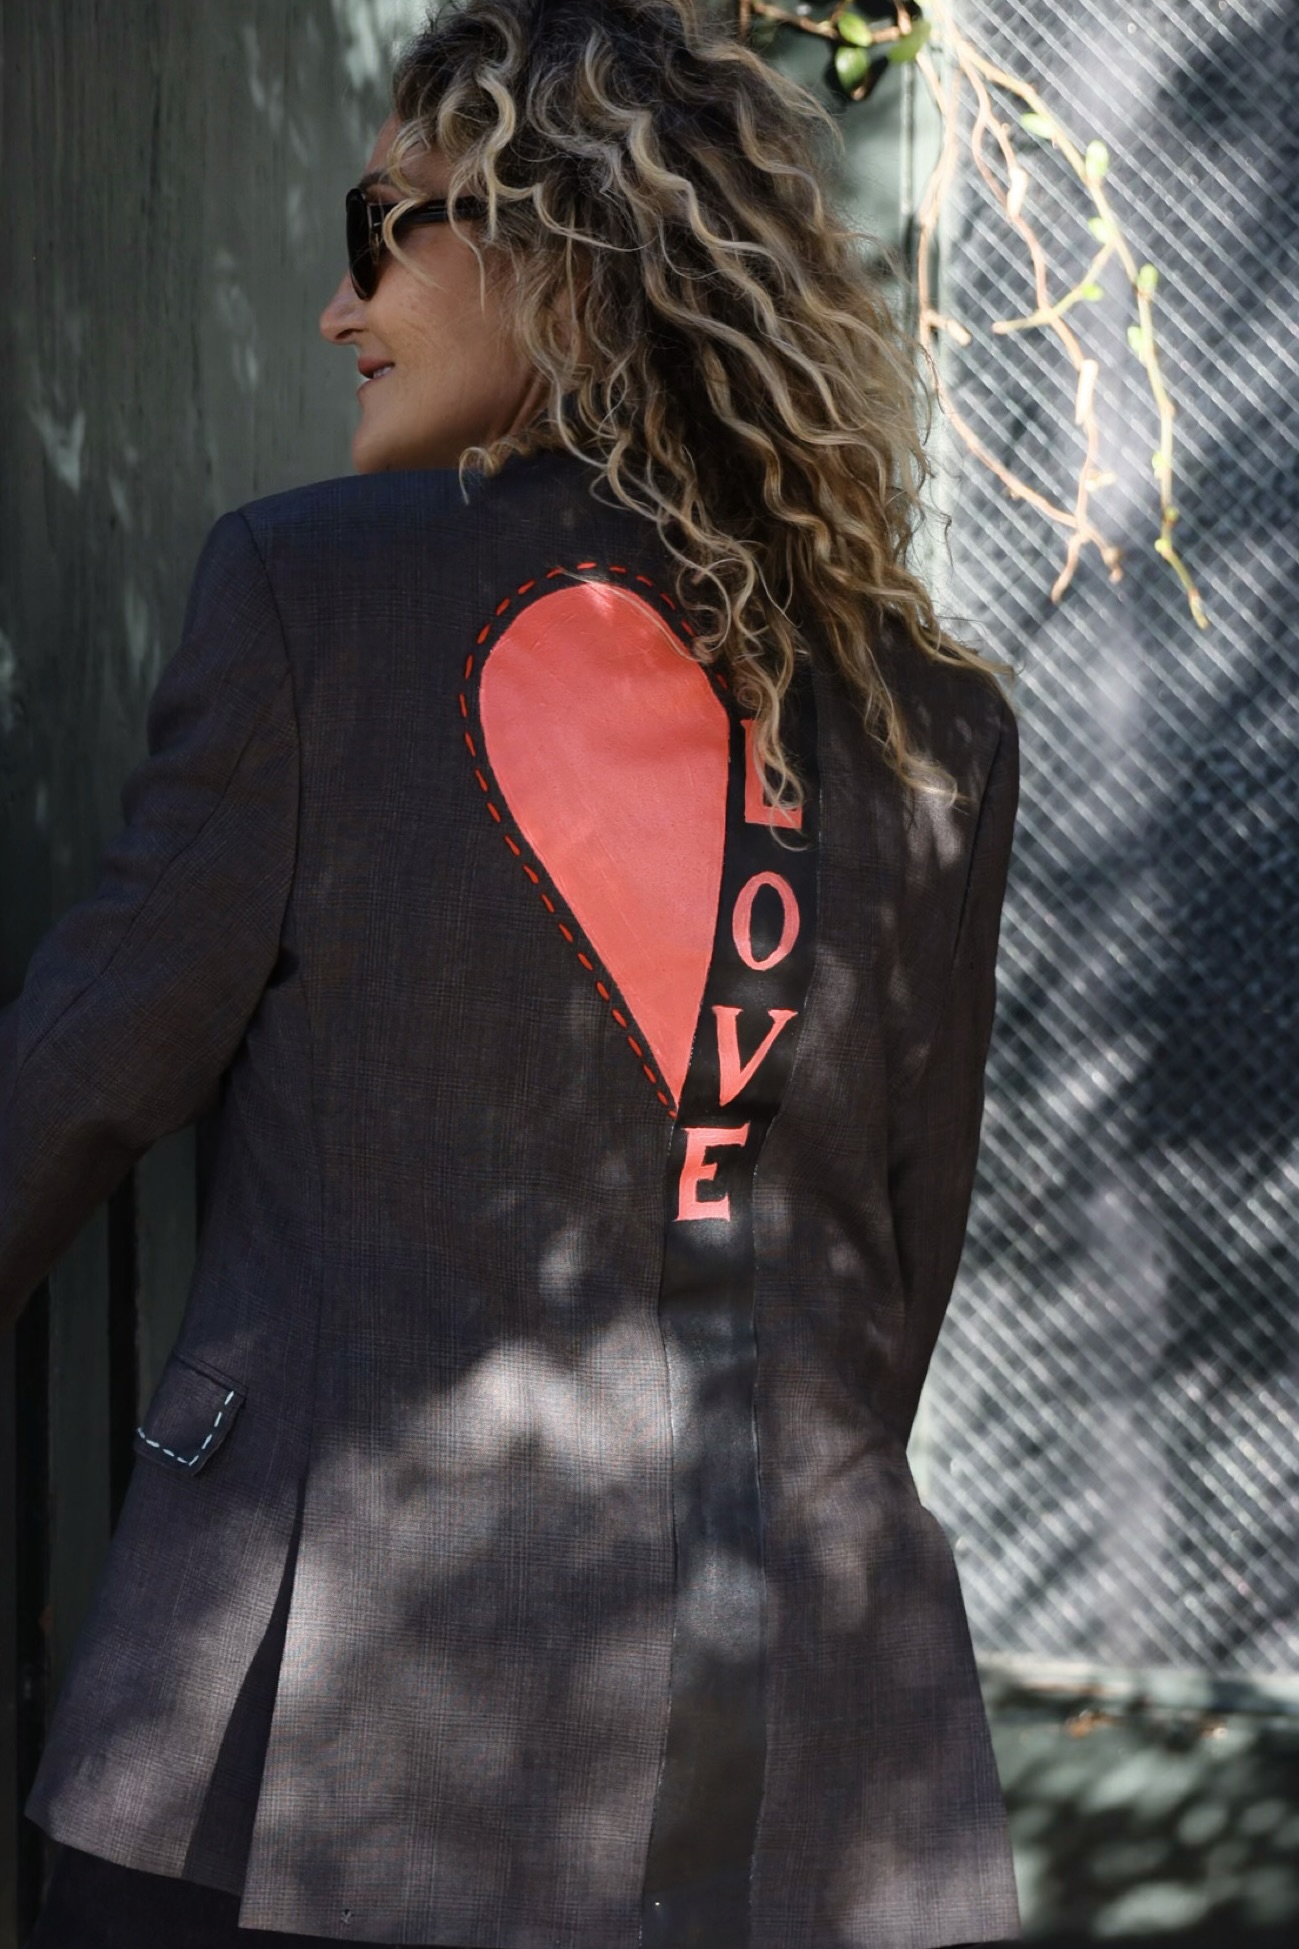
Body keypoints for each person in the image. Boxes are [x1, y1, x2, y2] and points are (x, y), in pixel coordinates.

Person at [6, 1, 1022, 1945]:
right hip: (791, 1739)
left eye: (385, 226)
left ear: (554, 252)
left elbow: (76, 1081)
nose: (338, 304)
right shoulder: (927, 719)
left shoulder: (307, 598)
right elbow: (890, 1264)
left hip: (297, 1732)